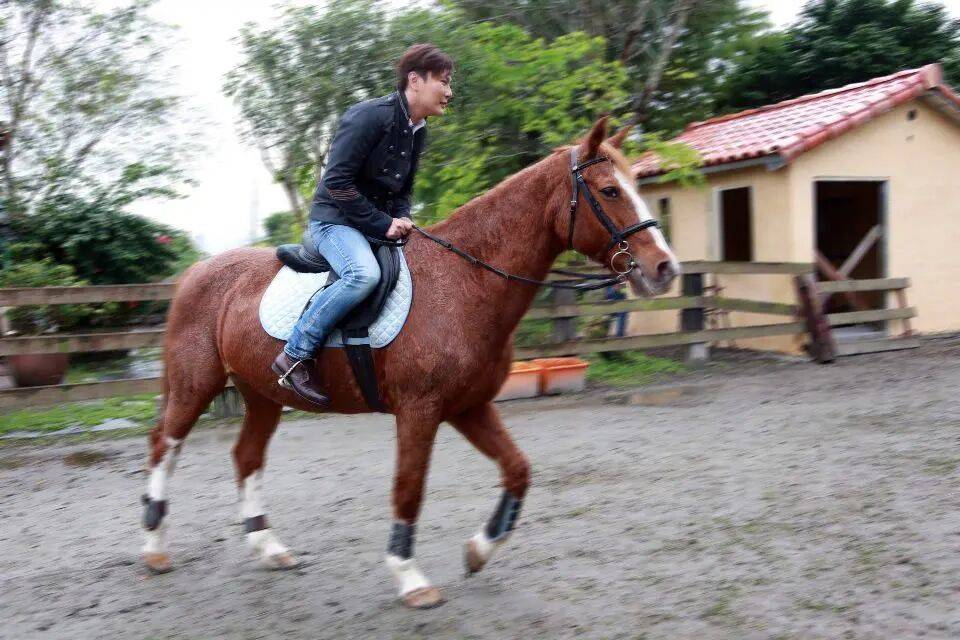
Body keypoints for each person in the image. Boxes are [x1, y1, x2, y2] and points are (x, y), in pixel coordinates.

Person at [272, 44, 454, 406]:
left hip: (373, 225)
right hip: (333, 222)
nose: (450, 92)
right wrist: (382, 223)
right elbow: (337, 184)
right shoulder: (369, 116)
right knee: (362, 275)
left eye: (451, 84)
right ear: (415, 81)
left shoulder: (418, 129)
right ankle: (295, 354)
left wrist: (403, 217)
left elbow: (404, 189)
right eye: (444, 82)